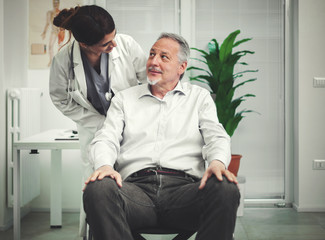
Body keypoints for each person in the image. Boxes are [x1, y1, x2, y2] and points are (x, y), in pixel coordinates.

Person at [83, 32, 240, 240]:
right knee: (98, 188)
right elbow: (106, 137)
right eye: (151, 54)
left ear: (181, 67)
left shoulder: (199, 98)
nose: (153, 61)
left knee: (226, 188)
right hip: (135, 192)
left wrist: (218, 162)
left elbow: (216, 136)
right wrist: (104, 165)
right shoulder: (124, 99)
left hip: (185, 193)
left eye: (164, 57)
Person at [49, 5, 147, 236]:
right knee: (97, 188)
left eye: (113, 37)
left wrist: (129, 118)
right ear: (84, 44)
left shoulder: (126, 45)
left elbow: (147, 83)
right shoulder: (63, 61)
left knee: (132, 185)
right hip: (94, 134)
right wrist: (99, 123)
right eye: (106, 44)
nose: (114, 46)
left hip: (132, 130)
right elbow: (60, 98)